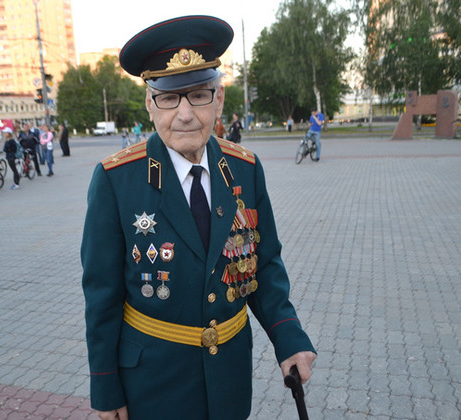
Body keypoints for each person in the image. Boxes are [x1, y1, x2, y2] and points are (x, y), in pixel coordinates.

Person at [81, 15, 316, 420]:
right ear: (150, 103)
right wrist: (105, 386)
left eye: (198, 95)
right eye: (169, 98)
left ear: (219, 99)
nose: (185, 114)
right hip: (154, 384)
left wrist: (287, 336)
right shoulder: (116, 180)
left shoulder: (245, 168)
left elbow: (263, 264)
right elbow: (101, 295)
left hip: (229, 377)